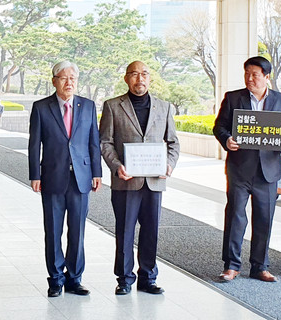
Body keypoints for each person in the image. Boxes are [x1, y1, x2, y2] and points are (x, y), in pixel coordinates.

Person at [99, 61, 180, 295]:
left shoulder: (164, 107)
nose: (140, 79)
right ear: (126, 78)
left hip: (154, 181)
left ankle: (148, 277)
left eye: (144, 74)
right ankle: (124, 279)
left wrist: (169, 164)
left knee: (151, 231)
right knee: (124, 230)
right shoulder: (113, 106)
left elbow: (173, 143)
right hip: (126, 180)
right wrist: (116, 166)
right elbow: (105, 142)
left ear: (150, 79)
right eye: (134, 74)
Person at [213, 56, 281, 283]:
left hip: (268, 171)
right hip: (239, 169)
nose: (250, 78)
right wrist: (227, 140)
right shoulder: (233, 97)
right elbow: (219, 126)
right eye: (247, 73)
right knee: (236, 216)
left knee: (264, 219)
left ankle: (260, 266)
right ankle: (231, 265)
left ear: (267, 77)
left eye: (255, 75)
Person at [28, 61, 102, 297]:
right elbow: (34, 144)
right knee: (53, 230)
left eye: (73, 78)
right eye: (63, 78)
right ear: (54, 81)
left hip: (81, 177)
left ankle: (74, 278)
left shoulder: (88, 106)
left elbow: (93, 142)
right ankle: (56, 278)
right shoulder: (41, 107)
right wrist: (34, 175)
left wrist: (97, 172)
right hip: (52, 177)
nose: (69, 82)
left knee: (77, 230)